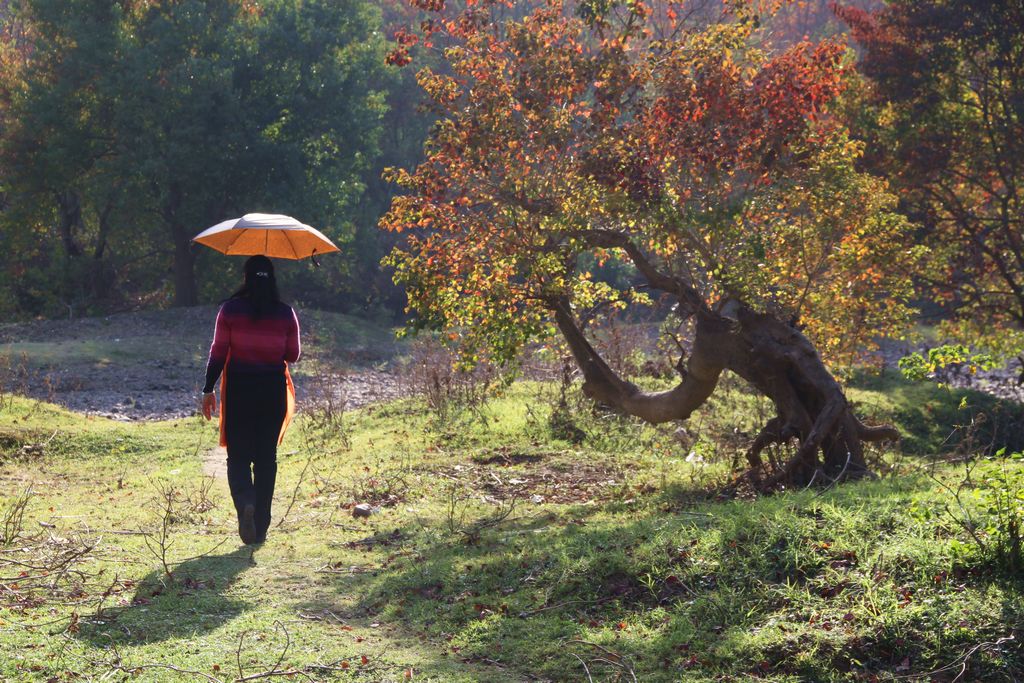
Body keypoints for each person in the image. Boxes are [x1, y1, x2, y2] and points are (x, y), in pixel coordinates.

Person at [200, 255, 299, 545]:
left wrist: (208, 388)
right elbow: (292, 355)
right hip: (272, 392)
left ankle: (245, 501)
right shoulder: (285, 313)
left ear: (245, 278)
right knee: (266, 459)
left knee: (239, 457)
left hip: (240, 392)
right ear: (273, 279)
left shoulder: (229, 310)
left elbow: (218, 352)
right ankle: (261, 526)